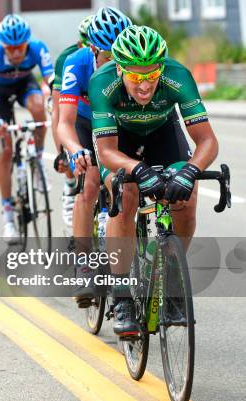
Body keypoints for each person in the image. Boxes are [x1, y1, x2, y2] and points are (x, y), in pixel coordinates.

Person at [90, 25, 218, 336]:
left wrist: (189, 171)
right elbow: (106, 151)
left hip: (163, 133)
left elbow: (207, 142)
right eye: (135, 76)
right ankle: (121, 297)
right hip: (120, 143)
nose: (145, 84)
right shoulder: (102, 82)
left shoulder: (178, 76)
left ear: (162, 67)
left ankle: (172, 281)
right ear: (120, 68)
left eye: (152, 74)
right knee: (127, 196)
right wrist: (138, 170)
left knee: (184, 199)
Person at [57, 7, 131, 306]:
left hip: (119, 122)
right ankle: (84, 264)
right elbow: (64, 121)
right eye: (107, 56)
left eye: (119, 56)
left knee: (127, 184)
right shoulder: (76, 63)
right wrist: (75, 150)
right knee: (89, 183)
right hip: (86, 123)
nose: (114, 63)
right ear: (92, 48)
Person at [0, 14, 54, 239]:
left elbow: (52, 82)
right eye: (9, 48)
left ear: (27, 43)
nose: (14, 53)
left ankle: (38, 158)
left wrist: (55, 100)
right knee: (5, 150)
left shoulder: (38, 48)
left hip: (24, 85)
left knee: (39, 107)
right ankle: (8, 215)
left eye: (19, 47)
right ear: (3, 46)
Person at [51, 14, 93, 230]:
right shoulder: (69, 59)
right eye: (88, 42)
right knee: (84, 177)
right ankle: (70, 188)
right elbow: (59, 112)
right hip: (80, 116)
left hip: (105, 117)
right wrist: (62, 152)